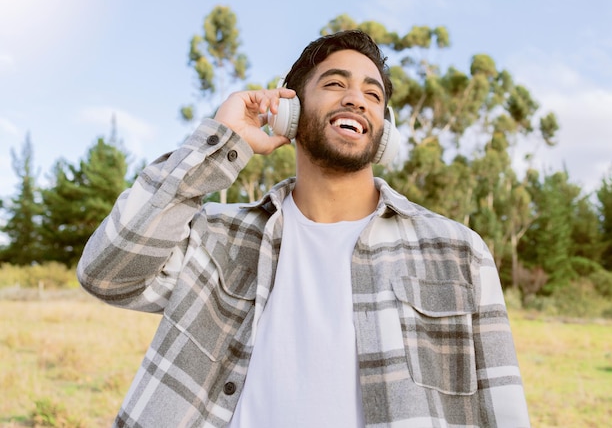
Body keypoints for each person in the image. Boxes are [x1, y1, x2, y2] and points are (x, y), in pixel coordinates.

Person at [77, 30, 530, 428]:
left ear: (384, 133)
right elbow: (107, 274)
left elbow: (502, 408)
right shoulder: (217, 236)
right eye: (335, 84)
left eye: (373, 95)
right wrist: (220, 140)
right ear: (288, 114)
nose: (357, 99)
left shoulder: (456, 251)